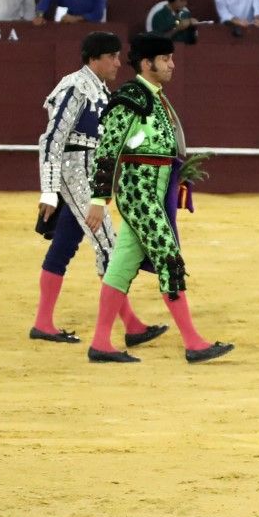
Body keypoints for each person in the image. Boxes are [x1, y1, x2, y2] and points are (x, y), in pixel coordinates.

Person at [84, 33, 232, 365]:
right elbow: (108, 150)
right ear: (147, 63)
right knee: (169, 258)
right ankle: (193, 342)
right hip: (139, 193)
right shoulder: (131, 97)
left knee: (121, 265)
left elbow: (159, 147)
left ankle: (100, 343)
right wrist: (98, 198)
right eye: (165, 59)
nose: (171, 64)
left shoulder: (155, 96)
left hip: (153, 189)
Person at [31, 30, 167, 349]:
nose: (119, 63)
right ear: (94, 59)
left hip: (88, 172)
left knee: (65, 244)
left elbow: (106, 139)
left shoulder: (101, 91)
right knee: (108, 245)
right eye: (112, 57)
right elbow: (51, 139)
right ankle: (130, 325)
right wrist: (49, 190)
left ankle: (43, 322)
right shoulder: (75, 86)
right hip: (74, 172)